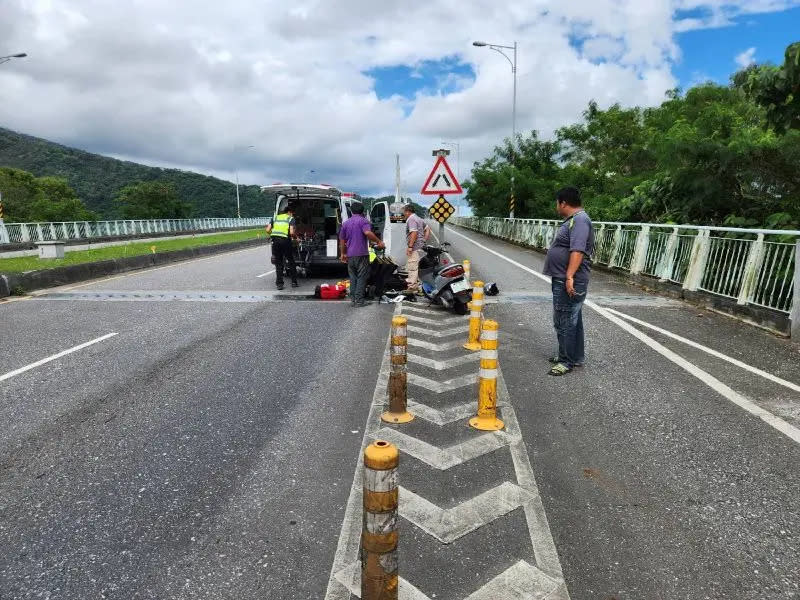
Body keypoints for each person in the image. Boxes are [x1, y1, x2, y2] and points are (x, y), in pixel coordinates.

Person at [542, 187, 594, 376]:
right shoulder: (575, 220)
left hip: (569, 279)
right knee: (572, 320)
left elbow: (578, 250)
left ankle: (566, 361)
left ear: (563, 202)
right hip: (564, 277)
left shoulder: (579, 220)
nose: (557, 206)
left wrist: (569, 276)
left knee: (564, 320)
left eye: (557, 203)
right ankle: (574, 356)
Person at [339, 202, 385, 307]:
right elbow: (367, 233)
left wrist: (342, 253)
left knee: (353, 277)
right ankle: (359, 301)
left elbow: (342, 239)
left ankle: (353, 300)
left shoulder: (346, 223)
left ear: (351, 211)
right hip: (361, 254)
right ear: (362, 211)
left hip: (350, 254)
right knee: (361, 277)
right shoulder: (364, 221)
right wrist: (379, 242)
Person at [265, 203, 298, 290]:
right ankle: (294, 282)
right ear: (289, 212)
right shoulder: (290, 218)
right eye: (292, 213)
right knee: (291, 261)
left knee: (278, 263)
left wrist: (275, 232)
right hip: (285, 242)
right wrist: (296, 238)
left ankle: (279, 284)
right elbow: (291, 232)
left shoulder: (275, 218)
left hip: (275, 241)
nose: (292, 215)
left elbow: (267, 230)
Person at [403, 204, 427, 292]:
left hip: (415, 247)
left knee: (412, 267)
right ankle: (418, 286)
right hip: (421, 246)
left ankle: (412, 287)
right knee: (417, 266)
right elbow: (427, 229)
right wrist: (424, 240)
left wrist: (410, 246)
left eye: (404, 212)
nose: (404, 214)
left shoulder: (411, 219)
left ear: (407, 211)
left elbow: (414, 233)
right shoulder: (418, 218)